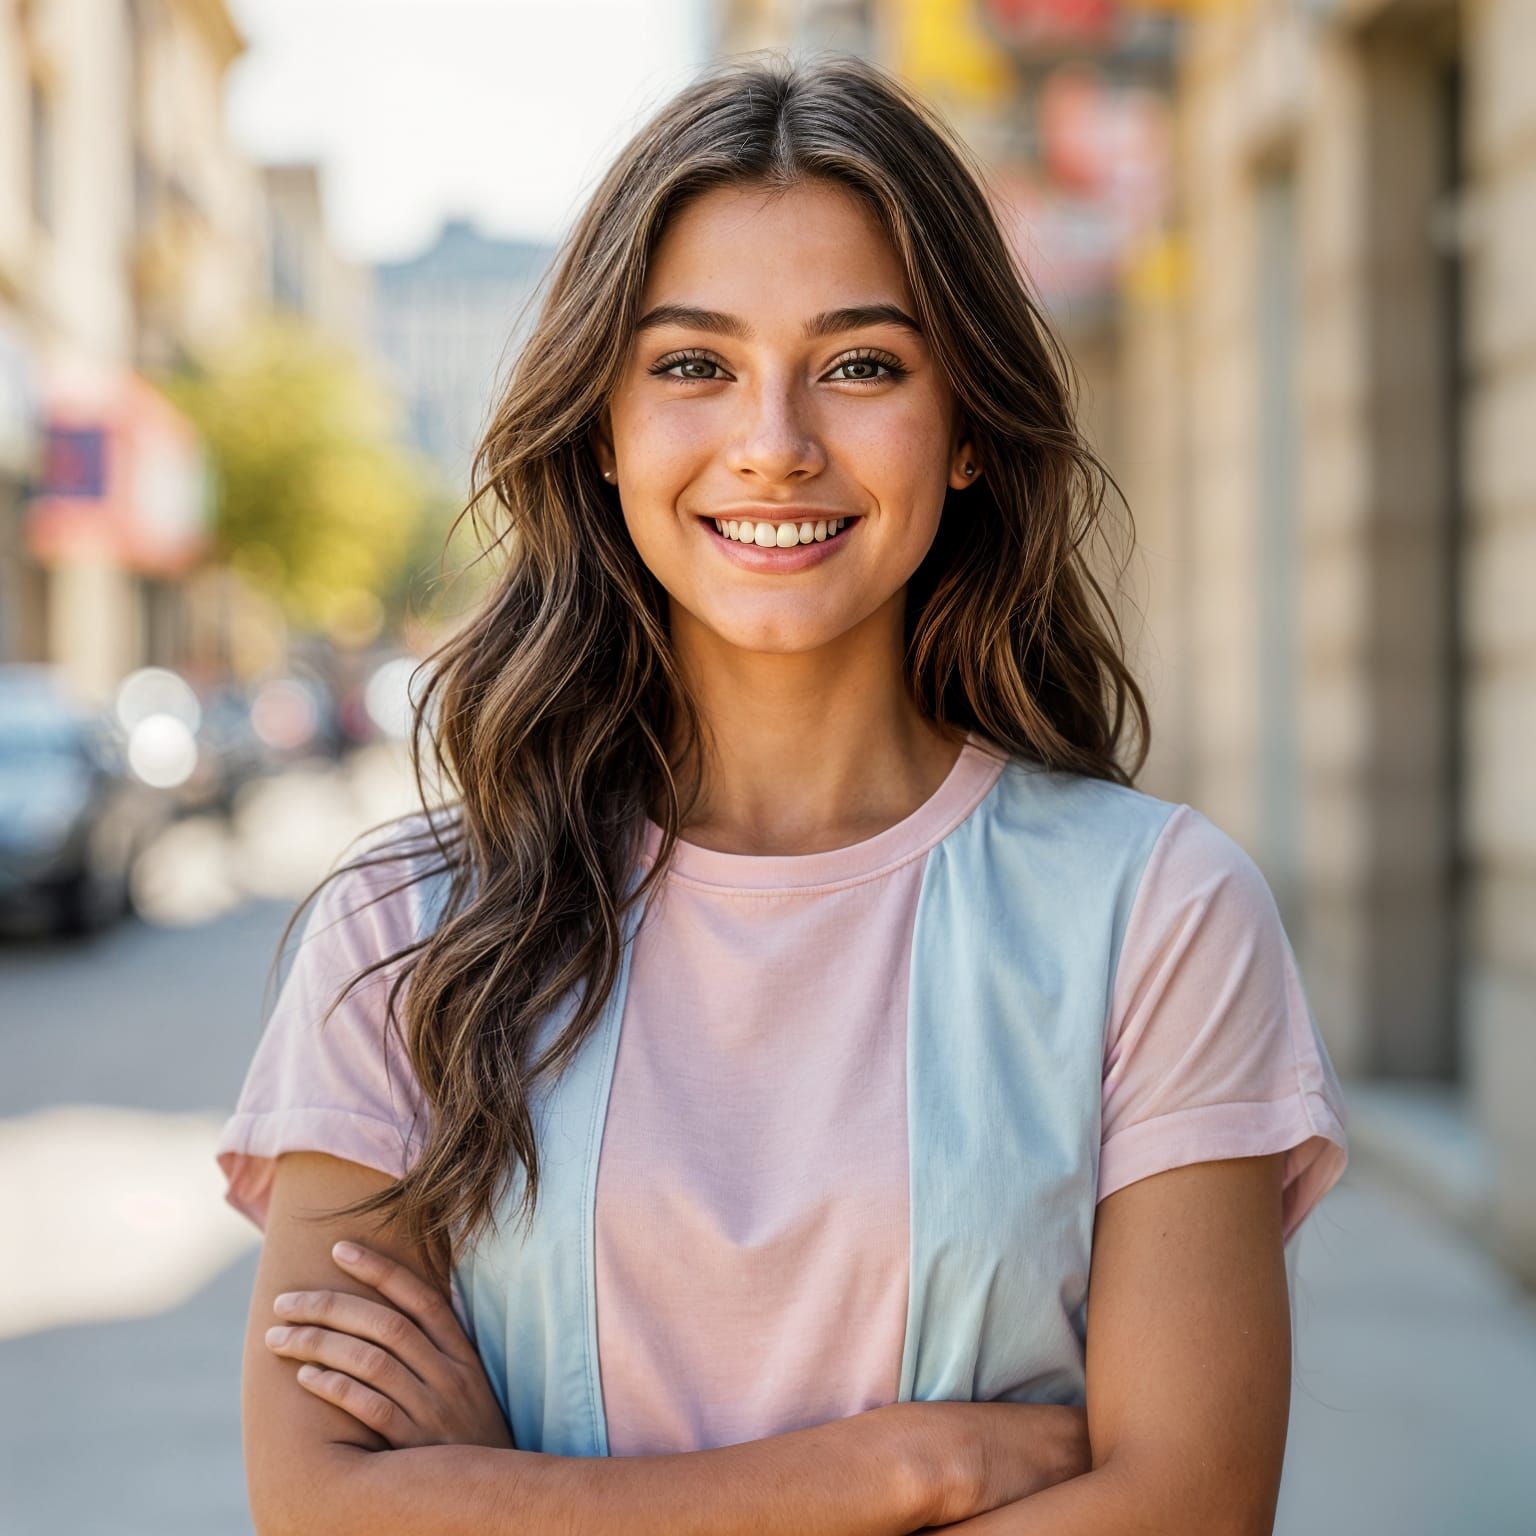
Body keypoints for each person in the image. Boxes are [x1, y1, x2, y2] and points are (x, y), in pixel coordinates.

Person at [214, 51, 1349, 1536]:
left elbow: (1187, 1511)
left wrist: (520, 1497)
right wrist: (896, 1476)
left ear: (969, 436)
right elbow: (319, 1509)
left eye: (863, 363)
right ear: (603, 433)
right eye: (693, 364)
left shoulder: (1158, 915)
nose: (776, 441)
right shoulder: (405, 932)